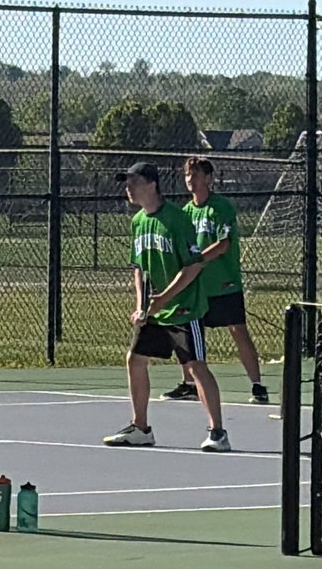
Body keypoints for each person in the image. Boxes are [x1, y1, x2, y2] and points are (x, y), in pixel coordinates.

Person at [103, 161, 231, 452]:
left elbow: (194, 266)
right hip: (155, 311)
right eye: (127, 183)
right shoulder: (139, 222)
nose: (129, 188)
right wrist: (142, 305)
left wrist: (162, 299)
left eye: (134, 182)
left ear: (152, 185)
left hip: (185, 308)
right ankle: (140, 428)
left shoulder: (177, 219)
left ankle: (218, 433)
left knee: (196, 366)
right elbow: (139, 268)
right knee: (135, 359)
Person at [162, 155, 269, 404]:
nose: (190, 179)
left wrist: (197, 261)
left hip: (224, 284)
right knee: (187, 334)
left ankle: (257, 385)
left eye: (196, 175)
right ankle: (190, 384)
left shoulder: (221, 207)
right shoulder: (185, 213)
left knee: (237, 330)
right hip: (195, 287)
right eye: (187, 175)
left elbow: (223, 244)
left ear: (208, 178)